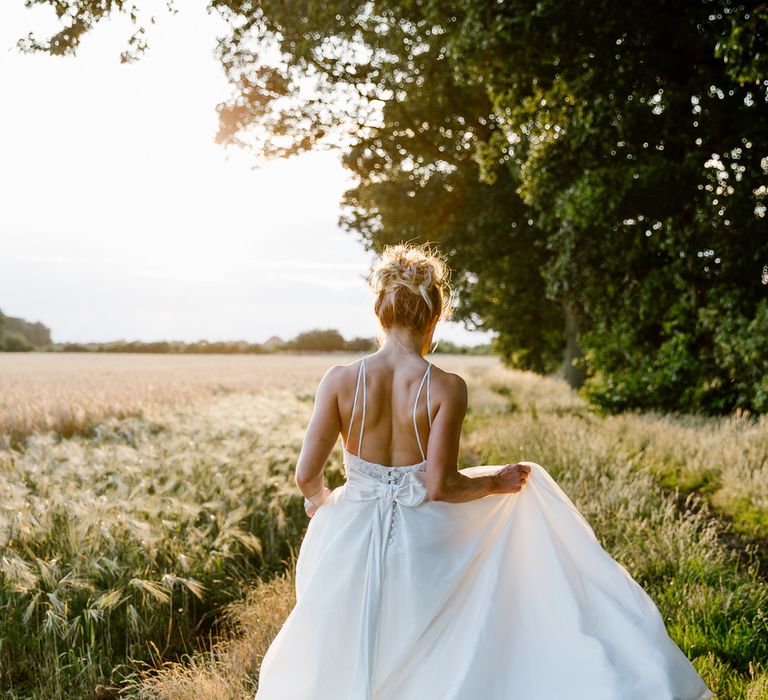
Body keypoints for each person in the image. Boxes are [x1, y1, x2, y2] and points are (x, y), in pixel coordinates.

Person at [254, 242, 713, 700]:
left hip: (350, 533)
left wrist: (321, 501)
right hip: (419, 540)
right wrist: (499, 483)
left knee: (340, 644)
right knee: (429, 646)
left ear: (380, 312)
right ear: (434, 316)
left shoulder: (338, 380)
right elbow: (441, 486)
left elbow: (305, 475)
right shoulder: (445, 387)